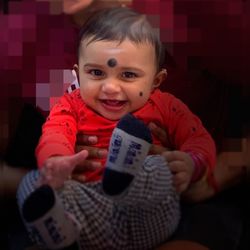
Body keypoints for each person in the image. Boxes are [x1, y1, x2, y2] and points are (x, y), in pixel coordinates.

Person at [16, 7, 216, 250]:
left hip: (148, 214)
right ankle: (61, 237)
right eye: (97, 73)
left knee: (158, 165)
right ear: (78, 74)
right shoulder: (71, 103)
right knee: (32, 183)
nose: (110, 87)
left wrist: (192, 163)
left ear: (155, 81)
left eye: (128, 75)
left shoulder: (166, 106)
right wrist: (57, 160)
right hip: (90, 214)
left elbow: (199, 139)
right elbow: (55, 132)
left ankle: (125, 171)